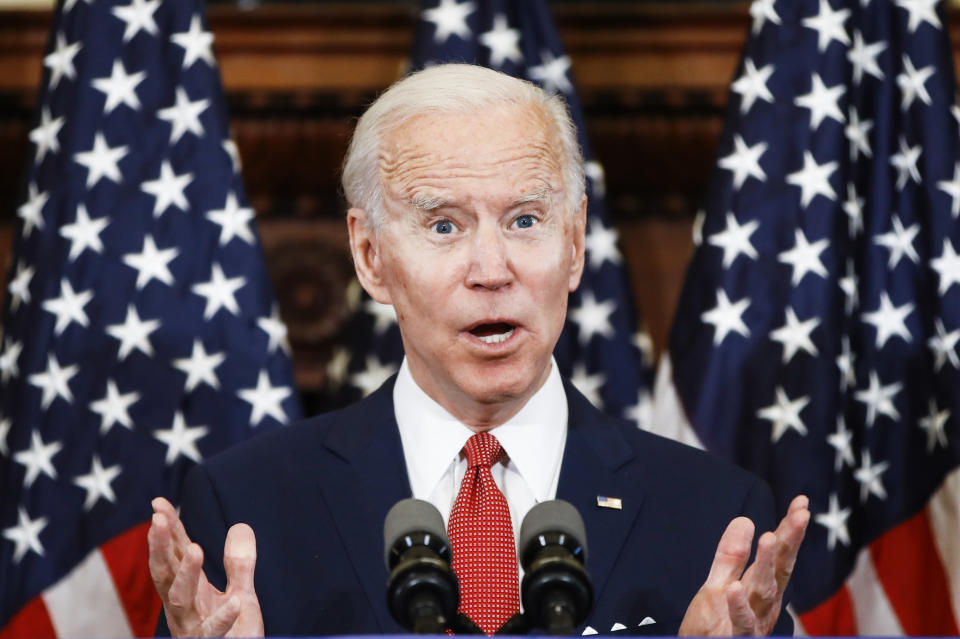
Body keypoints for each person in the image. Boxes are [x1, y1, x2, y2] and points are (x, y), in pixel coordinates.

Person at [148, 64, 810, 637]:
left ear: (575, 243)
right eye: (443, 225)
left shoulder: (716, 518)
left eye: (525, 220)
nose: (491, 269)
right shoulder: (245, 510)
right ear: (370, 255)